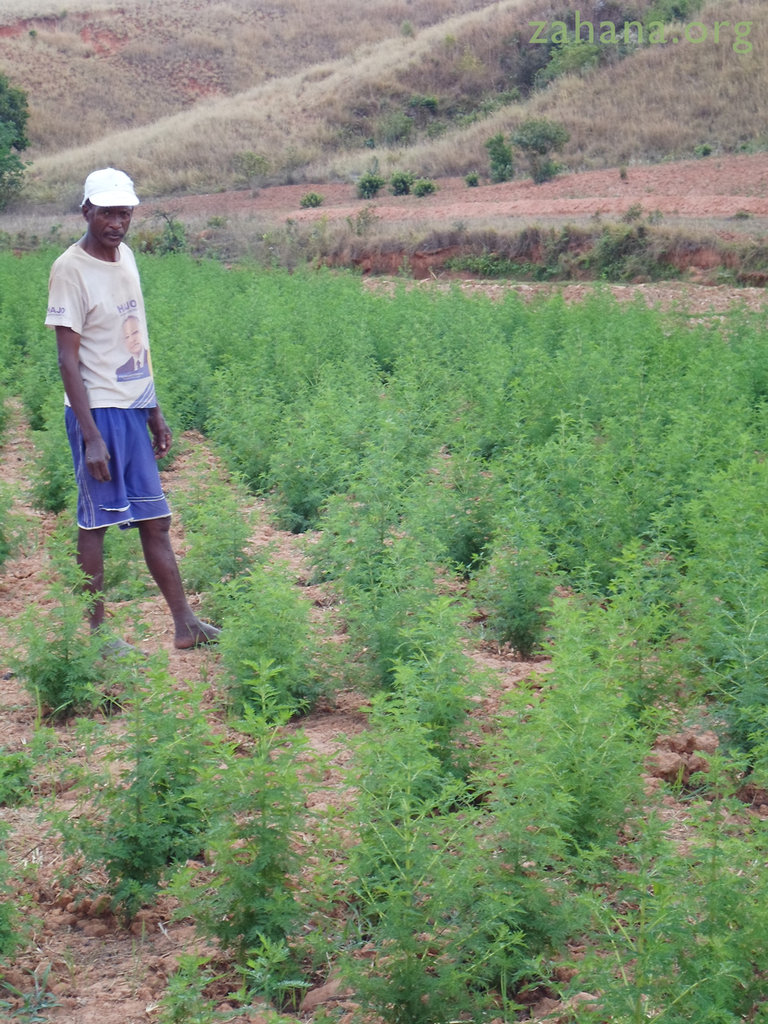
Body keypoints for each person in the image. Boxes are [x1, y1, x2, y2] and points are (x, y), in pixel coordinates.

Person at [45, 167, 220, 652]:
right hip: (97, 411)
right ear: (86, 211)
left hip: (132, 406)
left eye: (124, 212)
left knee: (154, 519)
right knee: (96, 523)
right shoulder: (70, 268)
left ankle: (185, 624)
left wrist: (153, 408)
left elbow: (135, 340)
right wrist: (90, 434)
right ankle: (98, 638)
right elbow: (67, 357)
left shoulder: (127, 258)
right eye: (106, 212)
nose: (116, 222)